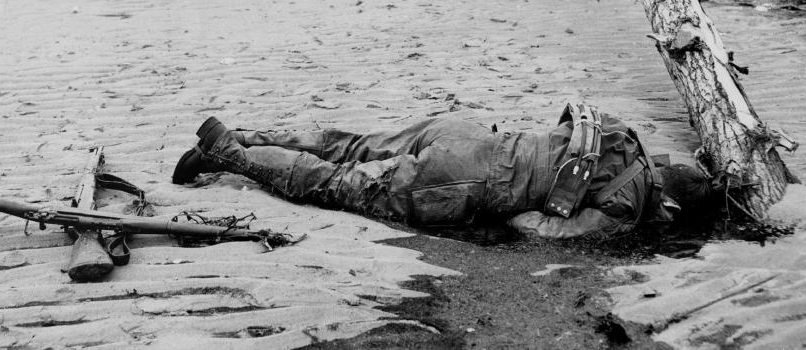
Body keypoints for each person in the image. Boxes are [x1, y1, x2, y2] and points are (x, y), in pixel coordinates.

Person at [172, 107, 718, 240]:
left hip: (467, 132)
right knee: (343, 189)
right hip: (471, 178)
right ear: (666, 206)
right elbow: (536, 231)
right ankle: (229, 152)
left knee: (351, 146)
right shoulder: (626, 208)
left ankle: (246, 133)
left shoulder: (625, 138)